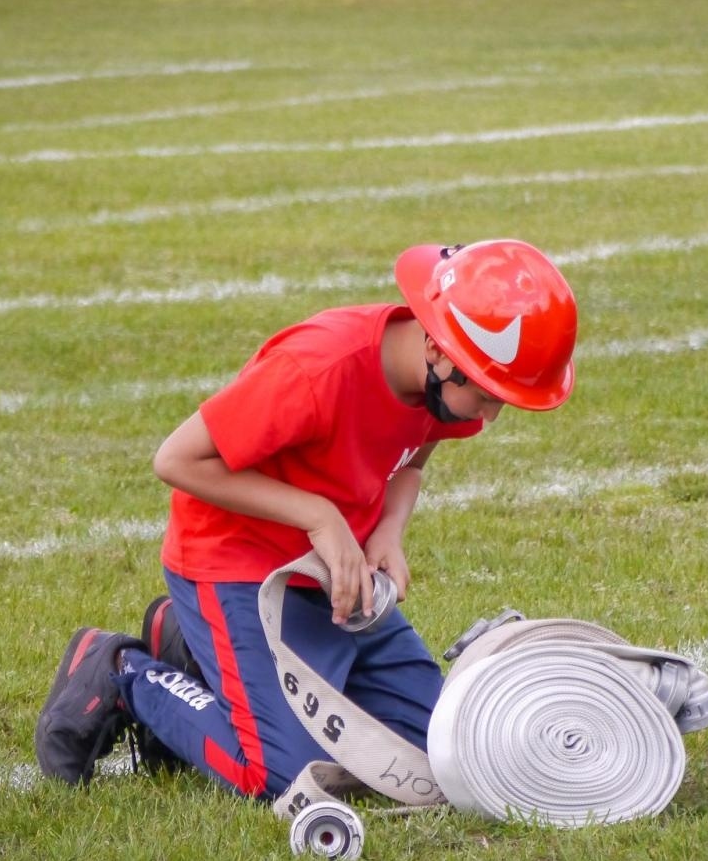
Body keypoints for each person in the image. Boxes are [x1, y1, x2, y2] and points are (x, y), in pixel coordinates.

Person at [34, 238, 578, 797]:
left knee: (435, 751)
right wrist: (319, 515)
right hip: (234, 559)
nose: (490, 414)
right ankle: (121, 670)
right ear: (438, 352)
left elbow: (414, 457)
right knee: (286, 775)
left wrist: (388, 529)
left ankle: (188, 642)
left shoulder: (438, 389)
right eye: (488, 395)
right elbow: (176, 460)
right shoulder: (317, 368)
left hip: (334, 574)